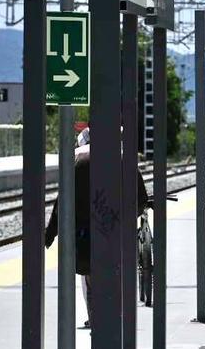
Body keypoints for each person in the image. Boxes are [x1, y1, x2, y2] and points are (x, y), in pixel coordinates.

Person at [45, 129, 149, 328]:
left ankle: (96, 324)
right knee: (116, 279)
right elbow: (141, 198)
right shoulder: (122, 157)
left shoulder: (76, 158)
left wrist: (49, 235)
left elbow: (62, 203)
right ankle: (114, 323)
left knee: (89, 278)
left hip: (84, 235)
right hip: (116, 234)